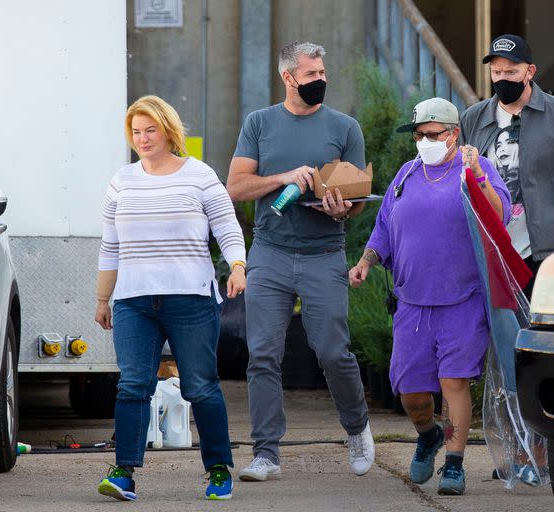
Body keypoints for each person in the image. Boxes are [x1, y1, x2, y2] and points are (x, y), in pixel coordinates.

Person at [227, 41, 375, 482]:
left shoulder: (345, 127)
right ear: (288, 78)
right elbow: (235, 186)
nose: (321, 80)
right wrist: (283, 179)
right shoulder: (259, 123)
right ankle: (266, 453)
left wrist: (342, 209)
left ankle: (357, 427)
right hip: (269, 254)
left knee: (333, 352)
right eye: (311, 74)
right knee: (263, 355)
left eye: (323, 72)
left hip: (324, 253)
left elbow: (358, 198)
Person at [348, 97, 511, 496]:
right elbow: (384, 226)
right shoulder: (406, 174)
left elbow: (500, 214)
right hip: (412, 301)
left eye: (431, 134)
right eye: (418, 135)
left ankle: (454, 463)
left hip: (462, 298)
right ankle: (428, 435)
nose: (423, 141)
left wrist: (479, 175)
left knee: (453, 381)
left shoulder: (476, 168)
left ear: (454, 135)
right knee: (410, 390)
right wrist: (367, 261)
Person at [94, 95, 246, 502]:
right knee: (132, 385)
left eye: (150, 130)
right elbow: (110, 246)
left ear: (168, 131)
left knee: (201, 386)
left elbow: (226, 225)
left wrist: (237, 265)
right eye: (136, 132)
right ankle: (124, 473)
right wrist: (102, 298)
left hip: (190, 299)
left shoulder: (199, 176)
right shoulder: (121, 181)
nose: (142, 139)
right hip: (132, 302)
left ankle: (218, 469)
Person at [459, 34, 554, 297]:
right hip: (494, 252)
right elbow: (463, 186)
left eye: (511, 71)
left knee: (547, 333)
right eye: (496, 71)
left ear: (530, 71)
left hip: (549, 253)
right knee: (499, 335)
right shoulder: (472, 118)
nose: (502, 78)